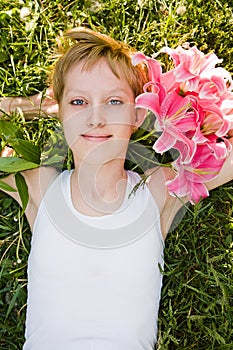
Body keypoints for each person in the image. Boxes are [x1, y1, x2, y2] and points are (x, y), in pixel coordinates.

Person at [1, 27, 233, 350]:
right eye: (79, 101)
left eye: (113, 101)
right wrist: (33, 106)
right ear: (61, 111)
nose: (95, 118)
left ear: (138, 113)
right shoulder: (42, 188)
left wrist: (174, 99)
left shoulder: (157, 192)